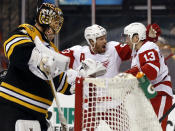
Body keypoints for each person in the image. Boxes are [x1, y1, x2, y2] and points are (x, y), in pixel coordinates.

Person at [0, 3, 73, 131]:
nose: (56, 28)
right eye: (55, 23)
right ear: (44, 18)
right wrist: (39, 60)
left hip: (38, 114)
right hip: (14, 107)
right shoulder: (28, 31)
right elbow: (14, 49)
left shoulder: (52, 49)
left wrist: (79, 80)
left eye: (58, 24)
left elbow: (59, 82)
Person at [123, 22, 173, 131]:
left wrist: (130, 76)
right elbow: (140, 72)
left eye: (128, 37)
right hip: (150, 95)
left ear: (136, 38)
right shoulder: (138, 52)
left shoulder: (148, 47)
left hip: (159, 93)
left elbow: (152, 72)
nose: (126, 41)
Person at [61, 24, 132, 78]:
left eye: (105, 38)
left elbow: (136, 47)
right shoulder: (78, 53)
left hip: (112, 95)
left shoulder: (114, 48)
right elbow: (55, 59)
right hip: (89, 96)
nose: (105, 41)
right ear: (92, 41)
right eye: (101, 39)